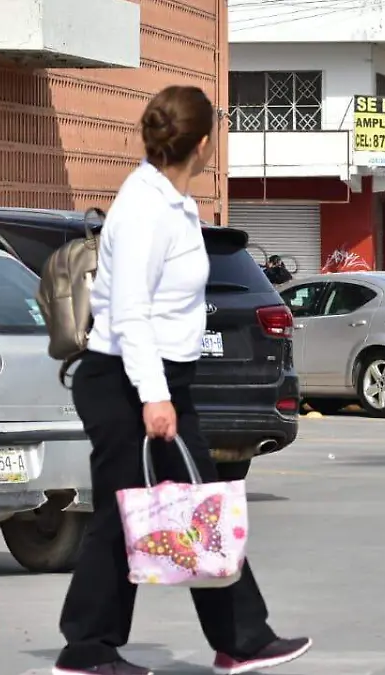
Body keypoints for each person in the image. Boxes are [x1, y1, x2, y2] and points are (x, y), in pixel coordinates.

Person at [53, 86, 311, 675]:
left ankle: (236, 638)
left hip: (158, 379)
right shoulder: (144, 208)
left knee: (195, 505)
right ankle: (90, 649)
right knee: (142, 511)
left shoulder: (172, 202)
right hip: (127, 379)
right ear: (203, 143)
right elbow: (131, 311)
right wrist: (155, 398)